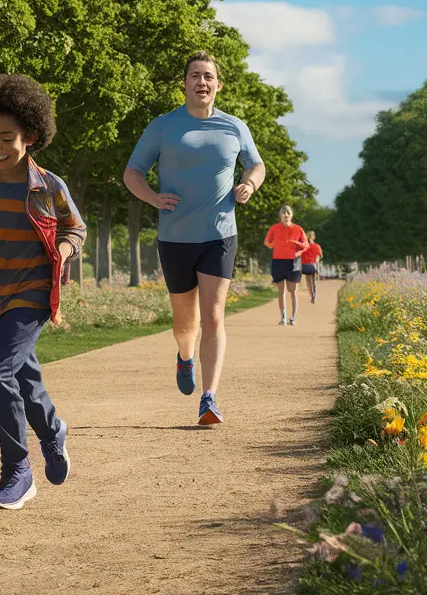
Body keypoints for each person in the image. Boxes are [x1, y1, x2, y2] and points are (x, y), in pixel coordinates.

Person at [0, 74, 86, 510]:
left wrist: (64, 251)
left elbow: (75, 228)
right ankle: (52, 431)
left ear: (29, 135)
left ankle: (18, 469)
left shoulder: (48, 185)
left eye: (6, 137)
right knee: (23, 376)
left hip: (33, 290)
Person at [123, 51, 265, 426]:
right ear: (184, 83)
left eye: (208, 77)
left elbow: (257, 163)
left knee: (214, 316)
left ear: (218, 85)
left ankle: (209, 397)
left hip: (219, 234)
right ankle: (184, 356)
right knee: (186, 323)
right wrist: (153, 197)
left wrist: (249, 183)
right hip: (174, 237)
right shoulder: (163, 126)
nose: (202, 82)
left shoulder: (235, 127)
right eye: (195, 76)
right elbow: (132, 172)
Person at [264, 205, 308, 325]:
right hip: (278, 261)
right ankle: (283, 317)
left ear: (291, 215)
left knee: (292, 291)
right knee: (281, 292)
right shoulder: (274, 228)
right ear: (280, 215)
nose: (286, 215)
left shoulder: (298, 229)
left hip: (293, 262)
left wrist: (298, 248)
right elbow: (267, 241)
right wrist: (275, 245)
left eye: (288, 213)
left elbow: (306, 245)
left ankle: (292, 317)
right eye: (283, 213)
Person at [302, 231, 323, 304]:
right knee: (313, 281)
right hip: (313, 265)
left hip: (304, 265)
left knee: (308, 282)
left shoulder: (303, 246)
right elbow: (320, 256)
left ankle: (311, 295)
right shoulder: (317, 246)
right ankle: (314, 295)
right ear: (313, 237)